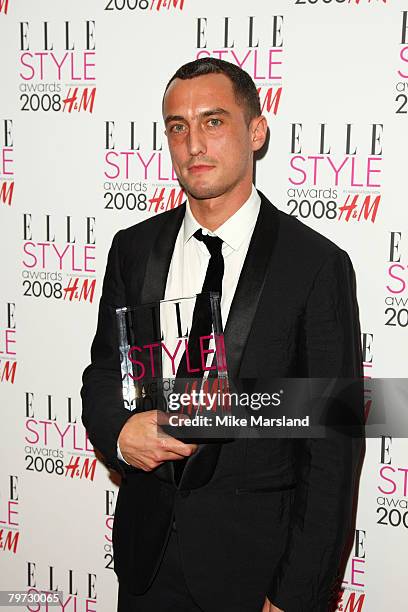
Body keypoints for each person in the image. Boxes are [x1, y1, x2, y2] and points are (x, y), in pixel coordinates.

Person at [81, 57, 365, 612]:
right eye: (177, 127)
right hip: (147, 562)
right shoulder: (133, 249)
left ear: (255, 131)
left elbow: (333, 446)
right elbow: (102, 375)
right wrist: (118, 435)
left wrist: (294, 594)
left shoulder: (314, 265)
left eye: (213, 121)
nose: (193, 144)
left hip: (256, 572)